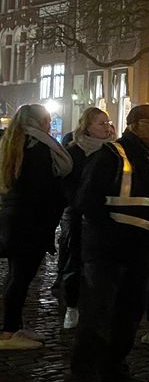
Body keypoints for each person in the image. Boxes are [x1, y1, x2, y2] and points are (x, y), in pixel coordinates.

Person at [69, 104, 149, 382]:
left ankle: (115, 372)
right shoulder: (112, 155)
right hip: (108, 253)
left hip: (143, 252)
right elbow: (86, 202)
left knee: (128, 316)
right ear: (135, 125)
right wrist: (112, 235)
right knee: (98, 317)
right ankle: (85, 381)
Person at [0, 104, 70, 350]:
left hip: (16, 217)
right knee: (21, 277)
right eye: (48, 121)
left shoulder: (15, 143)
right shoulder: (38, 147)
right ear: (41, 122)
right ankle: (8, 332)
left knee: (15, 275)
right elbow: (42, 188)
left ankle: (14, 326)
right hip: (31, 221)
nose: (50, 126)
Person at [58, 107, 114, 331]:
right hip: (79, 214)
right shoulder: (74, 152)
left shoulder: (113, 151)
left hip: (105, 215)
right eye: (101, 123)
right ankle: (72, 307)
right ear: (88, 126)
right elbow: (67, 183)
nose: (107, 127)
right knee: (76, 259)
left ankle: (98, 308)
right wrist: (79, 204)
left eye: (108, 122)